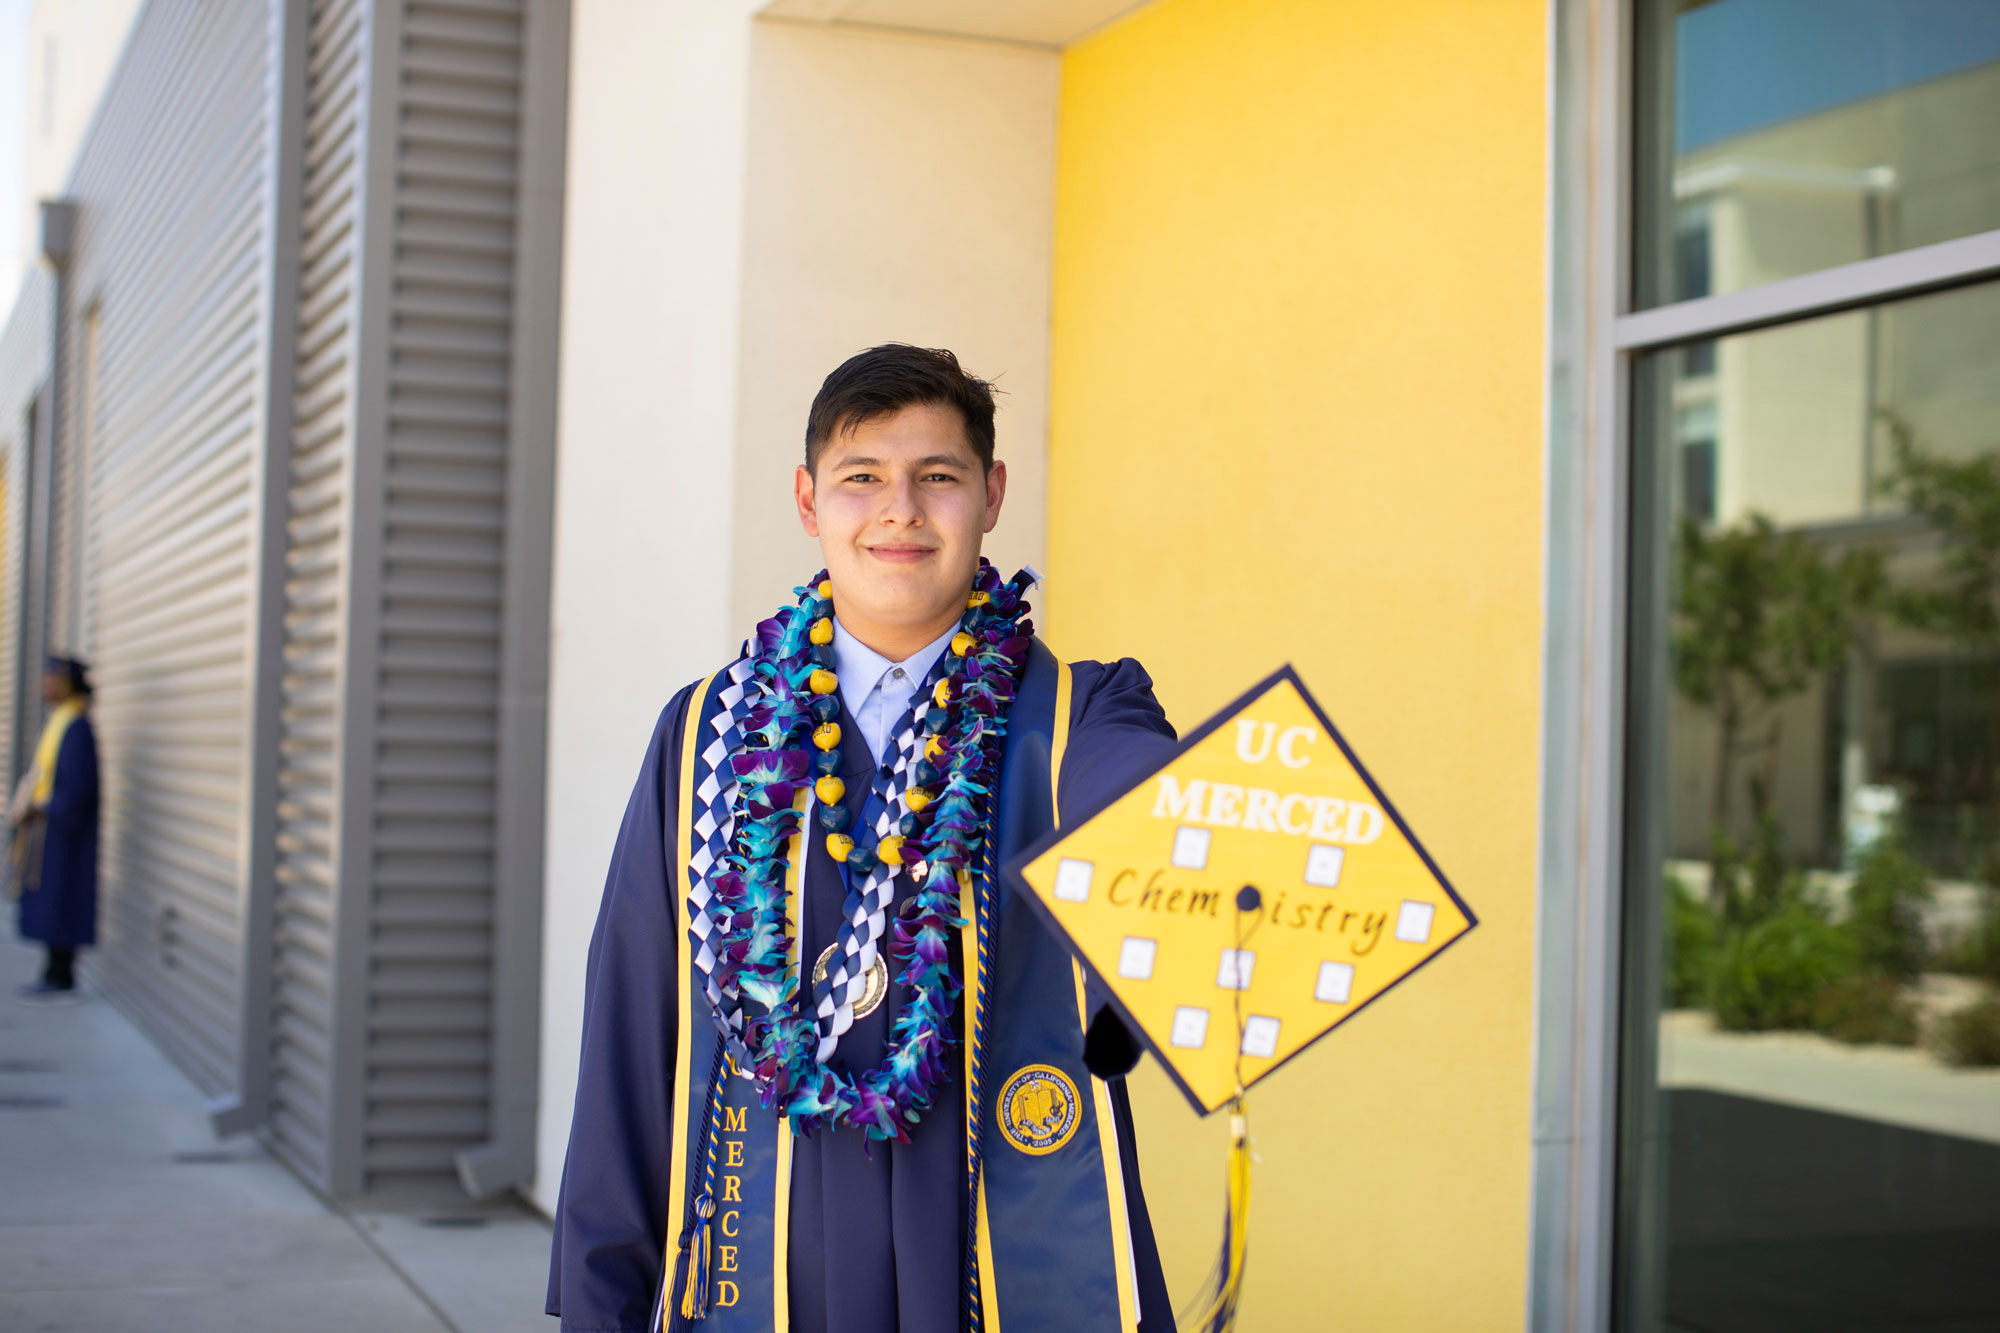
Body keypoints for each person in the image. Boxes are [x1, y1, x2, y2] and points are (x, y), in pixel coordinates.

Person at [549, 345, 1179, 1333]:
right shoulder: (711, 740)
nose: (899, 510)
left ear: (991, 493)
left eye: (938, 476)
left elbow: (1143, 805)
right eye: (860, 479)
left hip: (984, 1251)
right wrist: (601, 1297)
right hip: (767, 1251)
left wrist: (1171, 839)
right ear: (807, 502)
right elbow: (634, 1031)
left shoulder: (1075, 719)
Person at [11, 656, 100, 1004]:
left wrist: (43, 807)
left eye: (50, 679)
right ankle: (53, 972)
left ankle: (62, 976)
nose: (43, 686)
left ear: (66, 683)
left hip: (65, 831)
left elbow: (77, 786)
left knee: (63, 898)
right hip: (51, 826)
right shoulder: (60, 722)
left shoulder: (76, 727)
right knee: (52, 898)